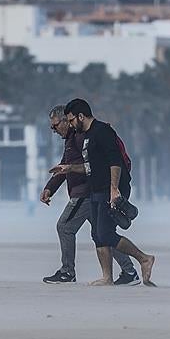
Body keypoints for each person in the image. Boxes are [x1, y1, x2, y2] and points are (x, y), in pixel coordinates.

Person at [63, 97, 156, 286]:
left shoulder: (102, 131)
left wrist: (114, 189)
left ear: (81, 116)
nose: (71, 124)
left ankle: (144, 259)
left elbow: (115, 161)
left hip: (111, 189)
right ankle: (107, 277)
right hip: (96, 189)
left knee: (105, 233)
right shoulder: (87, 136)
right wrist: (70, 169)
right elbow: (91, 166)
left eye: (72, 120)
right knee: (97, 234)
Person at [40, 105, 137, 284]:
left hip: (85, 193)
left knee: (65, 227)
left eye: (55, 125)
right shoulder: (72, 139)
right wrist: (50, 188)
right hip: (90, 193)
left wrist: (112, 189)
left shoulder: (81, 138)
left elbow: (92, 166)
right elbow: (65, 165)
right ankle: (130, 272)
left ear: (69, 120)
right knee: (103, 234)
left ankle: (67, 272)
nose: (53, 130)